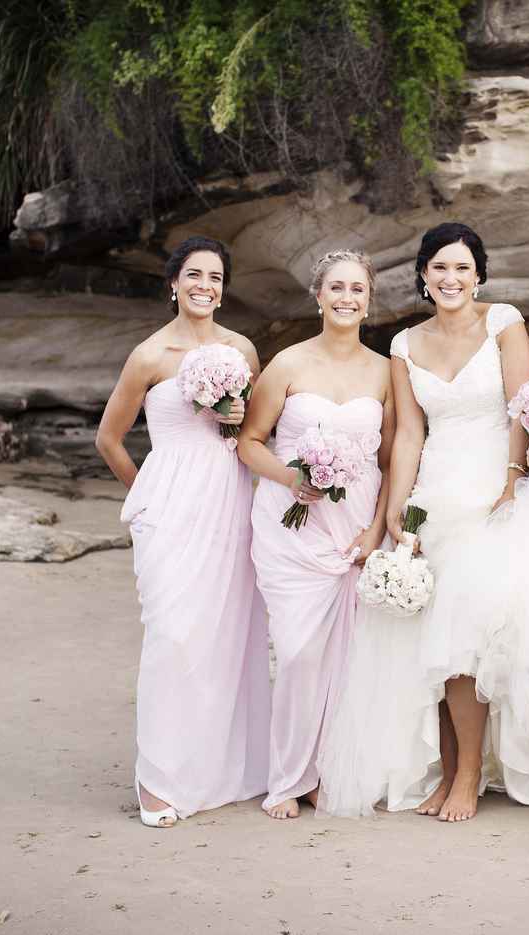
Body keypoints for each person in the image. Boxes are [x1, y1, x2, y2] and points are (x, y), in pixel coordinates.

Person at [316, 222, 529, 821]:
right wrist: (396, 516)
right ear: (424, 276)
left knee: (470, 632)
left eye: (461, 268)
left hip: (493, 489)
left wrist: (512, 480)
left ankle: (466, 779)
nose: (450, 278)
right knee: (431, 636)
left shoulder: (504, 323)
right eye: (439, 268)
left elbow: (522, 406)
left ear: (478, 275)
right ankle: (453, 771)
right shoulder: (406, 345)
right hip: (436, 490)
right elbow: (408, 434)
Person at [95, 235, 270, 828]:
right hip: (171, 504)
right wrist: (146, 493)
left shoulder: (242, 348)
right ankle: (158, 779)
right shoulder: (149, 355)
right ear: (174, 283)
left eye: (216, 277)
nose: (206, 286)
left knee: (228, 634)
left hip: (230, 497)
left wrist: (239, 418)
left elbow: (258, 433)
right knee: (172, 633)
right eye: (195, 275)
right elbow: (109, 439)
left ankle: (222, 769)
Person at [237, 250, 393, 820]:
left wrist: (378, 529)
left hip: (352, 530)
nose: (347, 297)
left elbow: (397, 453)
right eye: (336, 288)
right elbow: (251, 440)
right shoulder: (286, 364)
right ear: (318, 295)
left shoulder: (384, 370)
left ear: (369, 299)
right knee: (300, 652)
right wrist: (293, 476)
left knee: (349, 656)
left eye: (357, 289)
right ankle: (287, 778)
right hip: (289, 527)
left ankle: (325, 771)